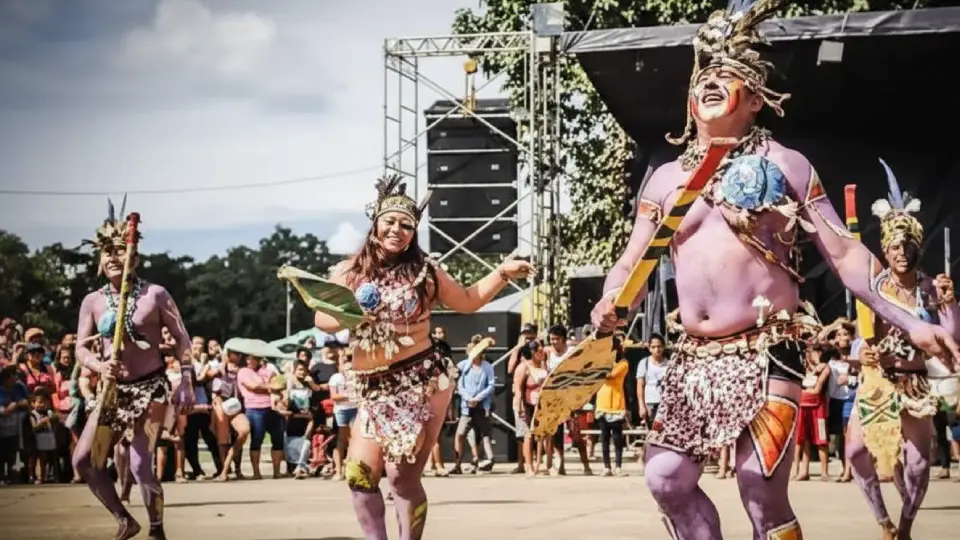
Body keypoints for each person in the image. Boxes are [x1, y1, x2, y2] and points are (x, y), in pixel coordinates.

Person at [589, 2, 960, 538]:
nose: (711, 83)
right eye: (704, 77)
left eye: (727, 76)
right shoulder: (665, 179)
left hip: (768, 350)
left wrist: (912, 322)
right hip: (693, 359)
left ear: (756, 98)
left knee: (759, 487)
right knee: (666, 479)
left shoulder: (786, 165)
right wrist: (611, 299)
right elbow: (632, 261)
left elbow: (845, 254)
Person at [302, 174, 533, 540]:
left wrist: (502, 273)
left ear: (414, 233)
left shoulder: (426, 272)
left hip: (420, 383)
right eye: (391, 221)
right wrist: (353, 316)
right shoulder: (349, 271)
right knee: (359, 475)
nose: (397, 230)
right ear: (376, 223)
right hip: (371, 388)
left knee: (401, 477)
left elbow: (467, 301)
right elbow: (321, 318)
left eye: (406, 225)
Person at [845, 162, 959, 539]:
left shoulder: (930, 288)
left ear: (917, 246)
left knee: (919, 464)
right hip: (879, 381)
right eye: (895, 246)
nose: (902, 252)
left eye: (908, 245)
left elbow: (949, 338)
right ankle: (884, 522)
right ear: (885, 249)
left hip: (915, 383)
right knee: (856, 452)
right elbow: (861, 340)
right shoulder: (873, 288)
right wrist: (862, 354)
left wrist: (949, 304)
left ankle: (906, 528)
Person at [72, 199, 194, 540]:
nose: (113, 257)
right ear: (99, 260)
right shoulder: (93, 301)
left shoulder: (156, 295)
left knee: (141, 464)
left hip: (151, 389)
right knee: (84, 461)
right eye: (106, 252)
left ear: (134, 257)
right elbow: (80, 347)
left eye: (120, 251)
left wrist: (186, 380)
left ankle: (156, 529)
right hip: (112, 392)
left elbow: (182, 339)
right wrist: (98, 364)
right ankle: (125, 519)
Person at [450, 335, 496, 474]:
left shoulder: (487, 367)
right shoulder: (464, 365)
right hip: (467, 407)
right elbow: (459, 383)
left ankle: (490, 459)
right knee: (460, 434)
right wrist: (469, 398)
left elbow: (491, 385)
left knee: (485, 433)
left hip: (481, 406)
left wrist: (478, 398)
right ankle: (457, 464)